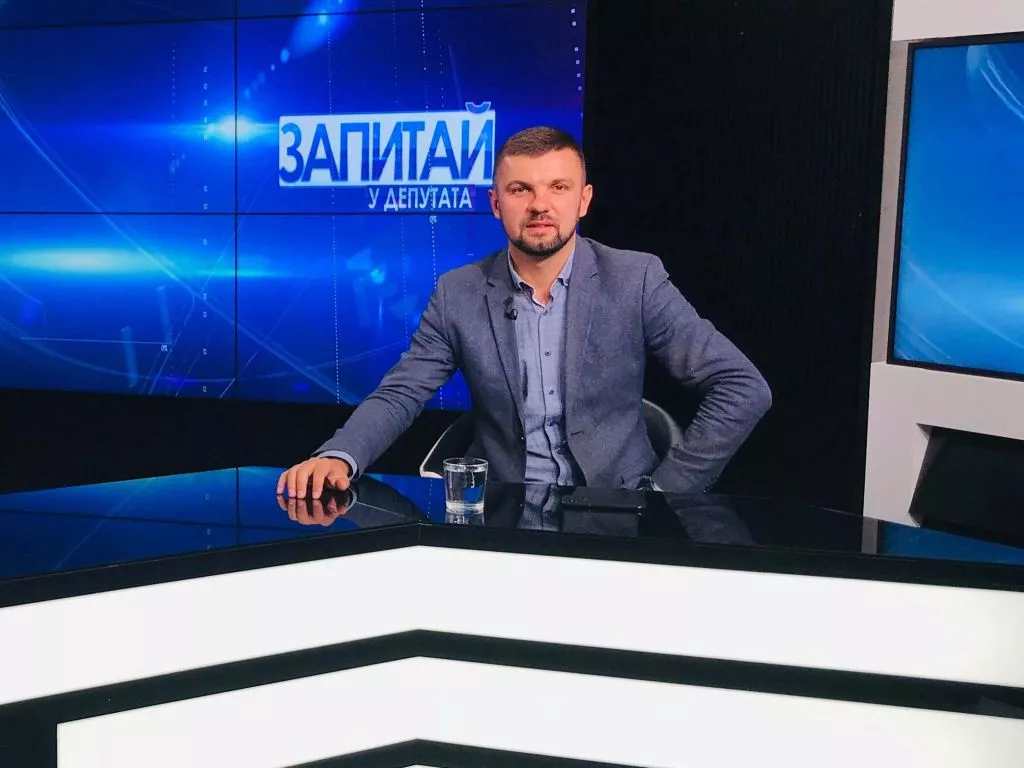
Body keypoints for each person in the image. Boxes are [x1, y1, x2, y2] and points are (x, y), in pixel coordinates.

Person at [278, 126, 771, 500]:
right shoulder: (458, 292)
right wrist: (339, 457)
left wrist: (665, 493)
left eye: (558, 187)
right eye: (521, 190)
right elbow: (401, 393)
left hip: (618, 516)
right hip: (501, 512)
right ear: (496, 204)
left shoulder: (634, 279)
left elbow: (743, 387)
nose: (540, 205)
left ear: (583, 200)